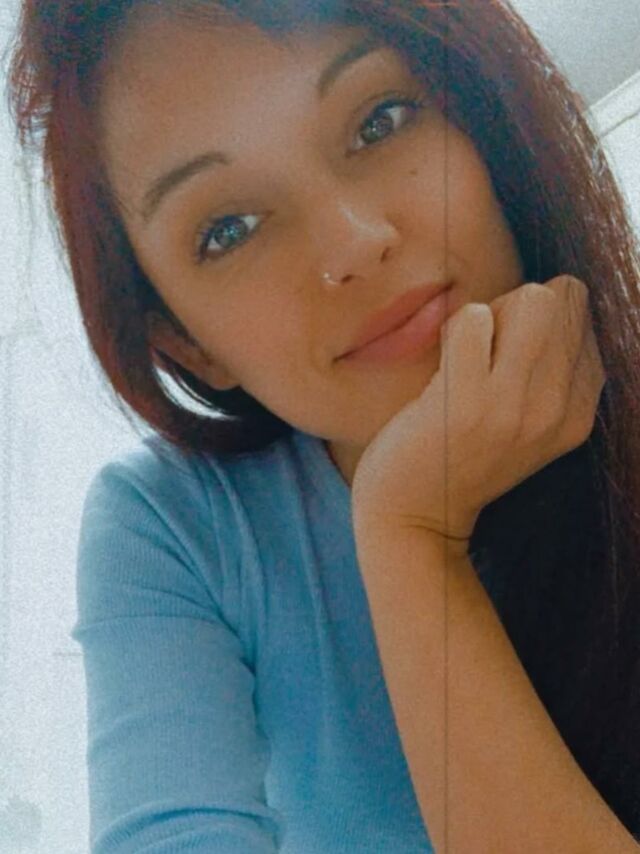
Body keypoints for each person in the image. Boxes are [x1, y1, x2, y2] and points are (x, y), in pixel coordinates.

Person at [8, 0, 640, 850]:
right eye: (229, 229)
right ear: (189, 344)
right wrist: (411, 535)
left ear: (484, 114)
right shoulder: (178, 525)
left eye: (380, 121)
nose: (354, 243)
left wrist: (412, 533)